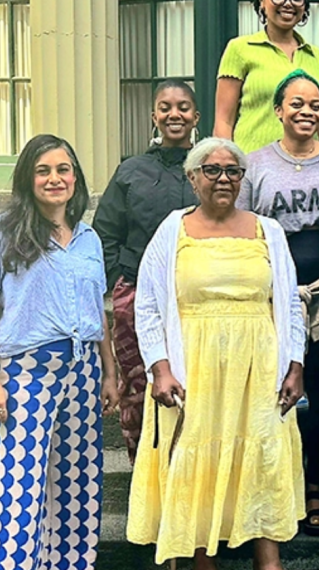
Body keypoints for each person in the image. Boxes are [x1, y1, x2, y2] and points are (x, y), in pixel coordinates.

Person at [126, 137, 306, 569]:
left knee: (262, 456)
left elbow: (288, 303)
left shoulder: (269, 231)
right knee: (198, 459)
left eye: (232, 171)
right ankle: (202, 559)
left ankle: (268, 559)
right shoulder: (173, 229)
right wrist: (160, 369)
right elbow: (147, 304)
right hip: (193, 367)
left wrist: (295, 365)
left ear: (242, 179)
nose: (223, 178)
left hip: (258, 367)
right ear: (193, 178)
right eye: (212, 170)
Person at [236, 69, 319, 537]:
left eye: (315, 105)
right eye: (297, 103)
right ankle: (273, 486)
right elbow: (242, 229)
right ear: (278, 110)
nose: (307, 111)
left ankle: (316, 484)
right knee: (276, 389)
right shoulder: (255, 164)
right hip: (275, 293)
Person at [0, 134, 119, 570]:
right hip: (27, 371)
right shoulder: (0, 232)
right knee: (20, 484)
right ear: (27, 178)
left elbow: (96, 310)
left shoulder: (88, 238)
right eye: (43, 171)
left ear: (75, 177)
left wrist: (109, 373)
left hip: (83, 369)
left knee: (78, 484)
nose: (54, 178)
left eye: (63, 169)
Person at [93, 78, 200, 464]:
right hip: (137, 296)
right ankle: (143, 473)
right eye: (165, 107)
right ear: (154, 116)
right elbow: (105, 232)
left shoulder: (208, 169)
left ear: (196, 116)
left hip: (196, 298)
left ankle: (188, 475)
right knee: (138, 388)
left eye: (183, 107)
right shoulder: (131, 171)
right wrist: (114, 286)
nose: (175, 114)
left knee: (194, 384)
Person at [214, 0, 319, 153]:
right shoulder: (240, 49)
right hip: (251, 164)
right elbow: (223, 121)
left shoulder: (318, 58)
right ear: (262, 0)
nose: (288, 3)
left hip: (306, 165)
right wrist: (228, 164)